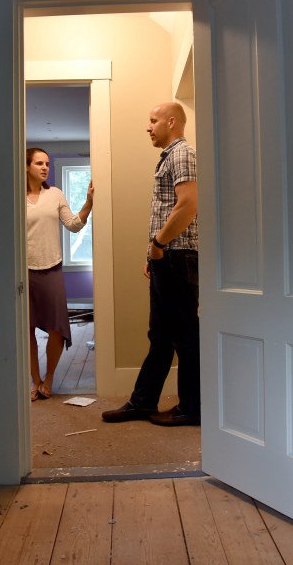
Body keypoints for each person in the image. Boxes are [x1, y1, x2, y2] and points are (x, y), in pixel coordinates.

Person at [102, 102, 200, 426]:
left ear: (171, 122)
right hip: (166, 257)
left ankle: (192, 408)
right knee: (160, 335)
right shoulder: (170, 157)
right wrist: (153, 255)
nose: (148, 127)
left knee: (184, 335)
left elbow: (188, 205)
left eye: (153, 120)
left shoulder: (182, 154)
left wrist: (158, 246)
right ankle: (143, 402)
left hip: (176, 256)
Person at [26, 147, 94, 401]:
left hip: (52, 268)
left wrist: (88, 203)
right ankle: (35, 381)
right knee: (26, 329)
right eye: (39, 163)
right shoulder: (15, 197)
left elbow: (73, 225)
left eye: (47, 163)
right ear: (26, 167)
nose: (45, 167)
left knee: (57, 328)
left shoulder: (55, 194)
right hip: (23, 272)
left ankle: (49, 377)